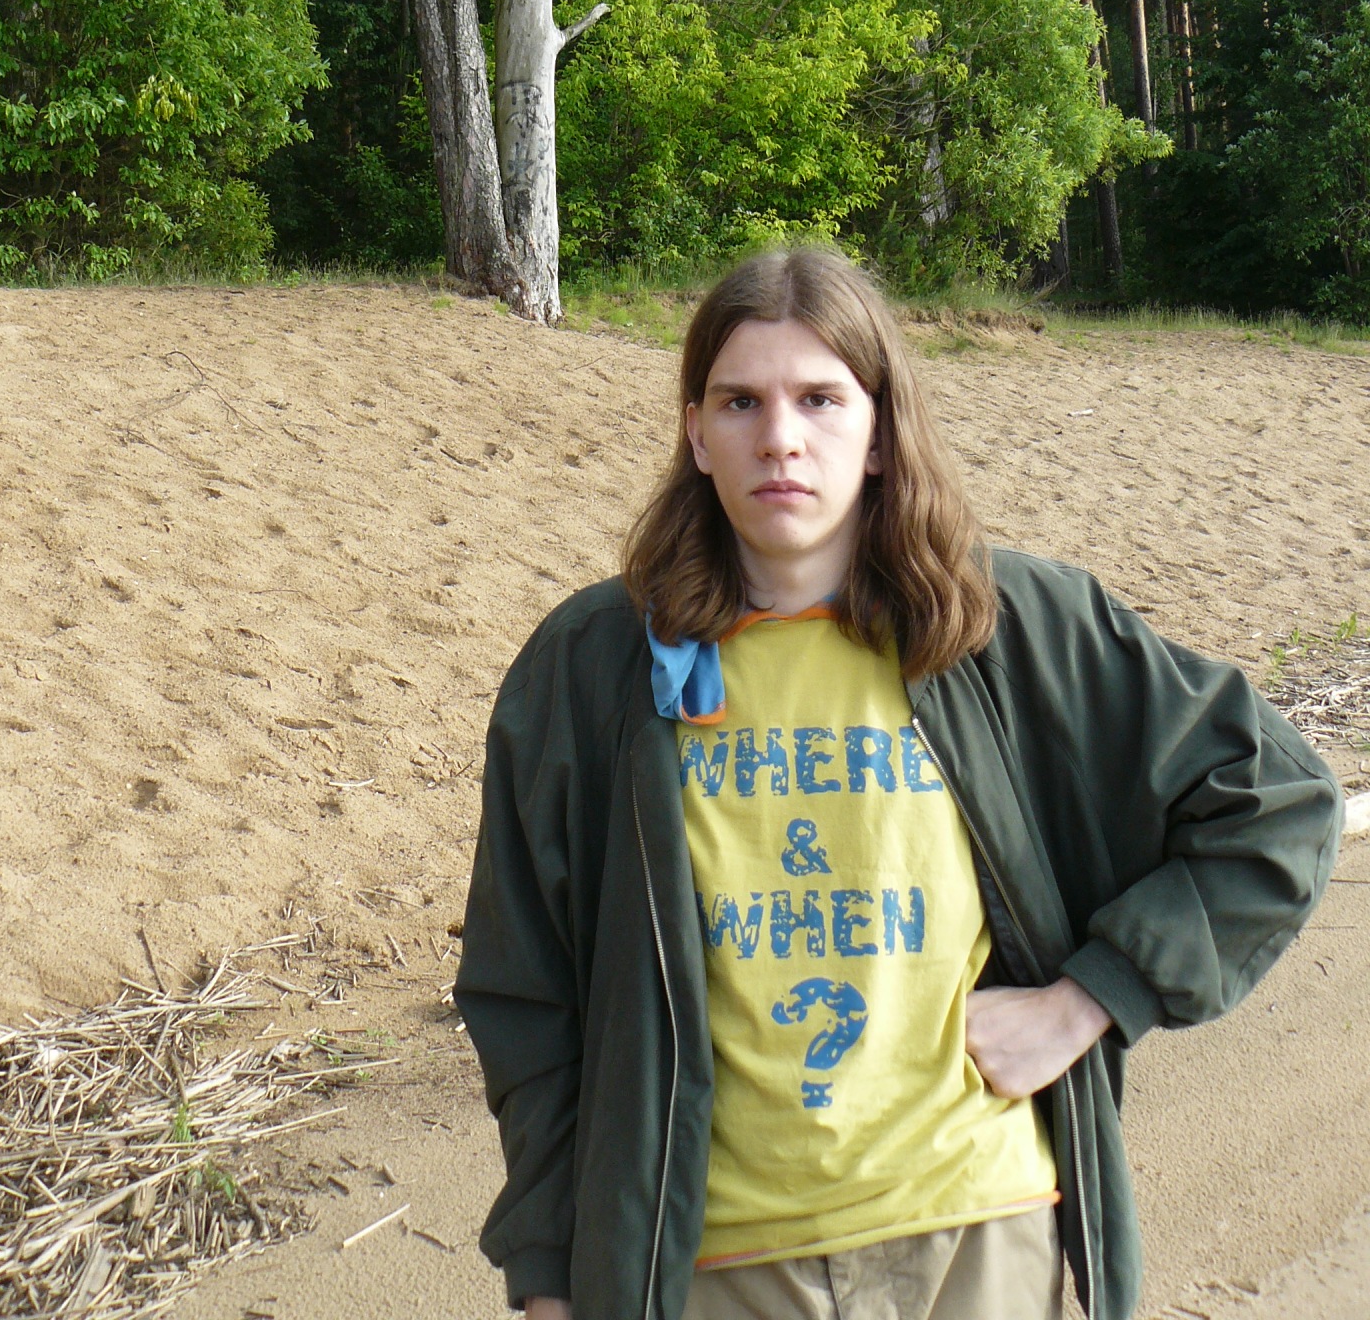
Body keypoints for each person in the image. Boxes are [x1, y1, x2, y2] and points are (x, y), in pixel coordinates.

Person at [455, 248, 1343, 1320]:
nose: (780, 437)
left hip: (975, 1230)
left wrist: (1090, 999)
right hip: (711, 1261)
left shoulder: (1006, 627)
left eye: (821, 399)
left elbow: (1279, 802)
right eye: (740, 401)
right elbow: (525, 987)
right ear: (695, 433)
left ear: (878, 430)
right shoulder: (592, 663)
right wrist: (548, 1271)